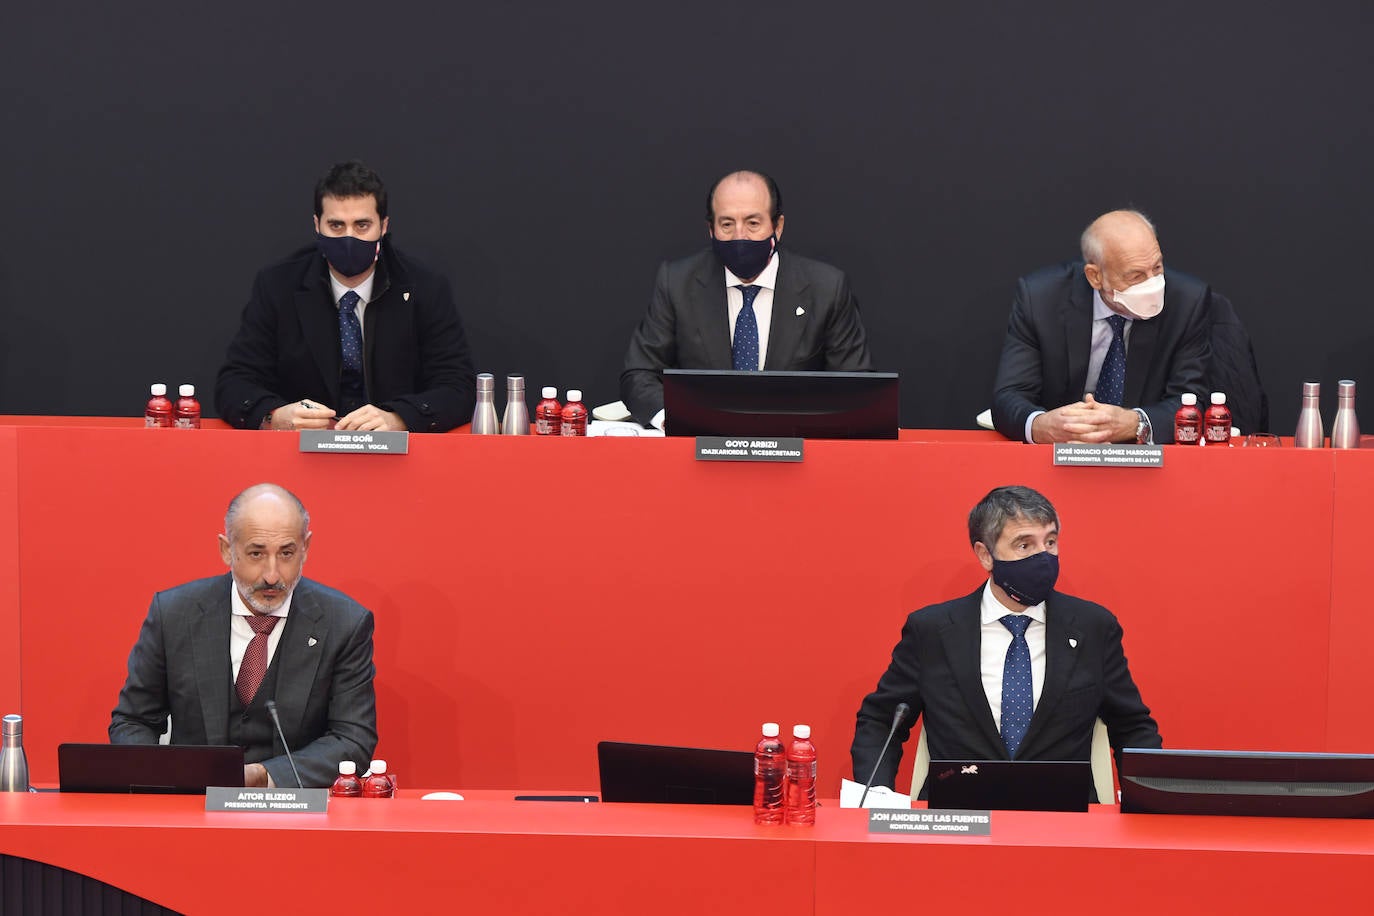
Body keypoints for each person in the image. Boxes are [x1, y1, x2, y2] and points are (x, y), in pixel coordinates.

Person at [851, 485, 1160, 797]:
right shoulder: (932, 630)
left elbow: (1132, 726)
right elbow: (881, 720)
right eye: (1024, 546)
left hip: (1063, 821)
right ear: (986, 554)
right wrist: (877, 798)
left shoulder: (1093, 627)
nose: (1043, 557)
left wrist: (1147, 799)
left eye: (1050, 542)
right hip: (958, 817)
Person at [109, 483, 378, 788]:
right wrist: (161, 777)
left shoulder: (344, 623)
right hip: (192, 808)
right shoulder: (174, 614)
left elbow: (353, 738)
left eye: (287, 553)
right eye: (256, 554)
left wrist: (266, 776)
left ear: (306, 548)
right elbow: (134, 721)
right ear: (227, 549)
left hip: (298, 815)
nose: (272, 575)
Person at [215, 160, 475, 432]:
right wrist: (274, 416)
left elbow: (457, 386)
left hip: (399, 458)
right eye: (336, 226)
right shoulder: (278, 285)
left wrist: (399, 418)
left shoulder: (425, 287)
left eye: (362, 225)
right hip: (301, 457)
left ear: (383, 226)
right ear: (317, 225)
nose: (349, 238)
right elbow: (234, 383)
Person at [620, 170, 873, 426]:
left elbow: (855, 387)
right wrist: (675, 420)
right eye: (727, 224)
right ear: (711, 229)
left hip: (795, 450)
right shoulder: (676, 283)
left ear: (778, 226)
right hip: (701, 449)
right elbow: (640, 374)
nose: (740, 236)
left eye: (753, 223)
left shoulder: (827, 288)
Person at [990, 209, 1212, 444]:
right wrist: (1041, 425)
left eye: (1157, 268)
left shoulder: (1187, 301)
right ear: (1095, 276)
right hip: (1058, 458)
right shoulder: (1040, 299)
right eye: (1136, 276)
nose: (1153, 285)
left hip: (1147, 462)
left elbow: (1193, 400)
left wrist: (1135, 424)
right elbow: (1009, 396)